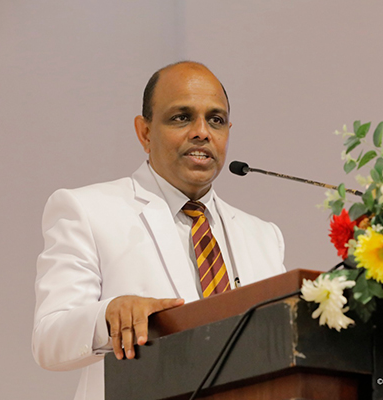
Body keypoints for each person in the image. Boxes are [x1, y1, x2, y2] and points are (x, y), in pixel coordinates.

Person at [32, 61, 286, 400]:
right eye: (181, 117)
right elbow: (48, 339)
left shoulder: (263, 237)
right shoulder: (87, 211)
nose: (202, 132)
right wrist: (108, 316)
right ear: (145, 132)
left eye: (216, 120)